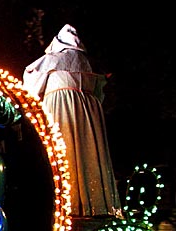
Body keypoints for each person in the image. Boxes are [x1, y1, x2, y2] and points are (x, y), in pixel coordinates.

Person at [23, 24, 121, 219]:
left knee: (64, 152)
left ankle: (70, 204)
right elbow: (100, 94)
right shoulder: (89, 64)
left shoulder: (52, 60)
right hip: (88, 114)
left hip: (62, 107)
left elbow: (31, 84)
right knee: (88, 153)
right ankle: (91, 204)